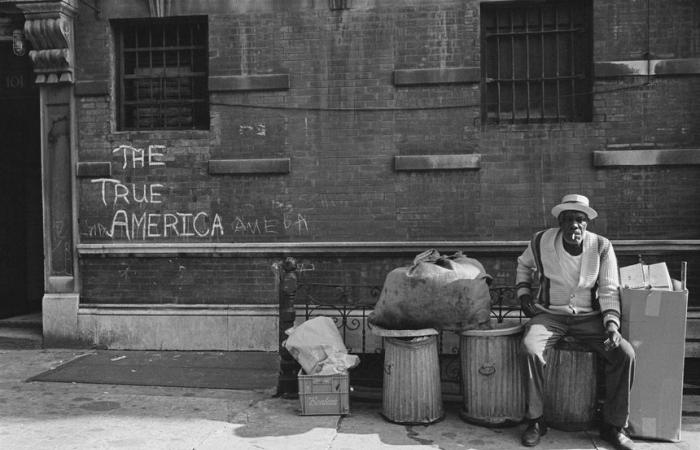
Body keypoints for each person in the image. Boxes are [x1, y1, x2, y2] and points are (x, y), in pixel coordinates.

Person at [516, 194, 636, 450]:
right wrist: (523, 292)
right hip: (550, 314)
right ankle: (536, 421)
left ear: (587, 223)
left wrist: (611, 325)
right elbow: (523, 265)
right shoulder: (540, 241)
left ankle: (612, 426)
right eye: (569, 219)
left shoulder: (602, 247)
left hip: (589, 318)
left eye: (580, 220)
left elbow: (608, 288)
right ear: (560, 222)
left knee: (624, 354)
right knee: (530, 348)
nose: (574, 226)